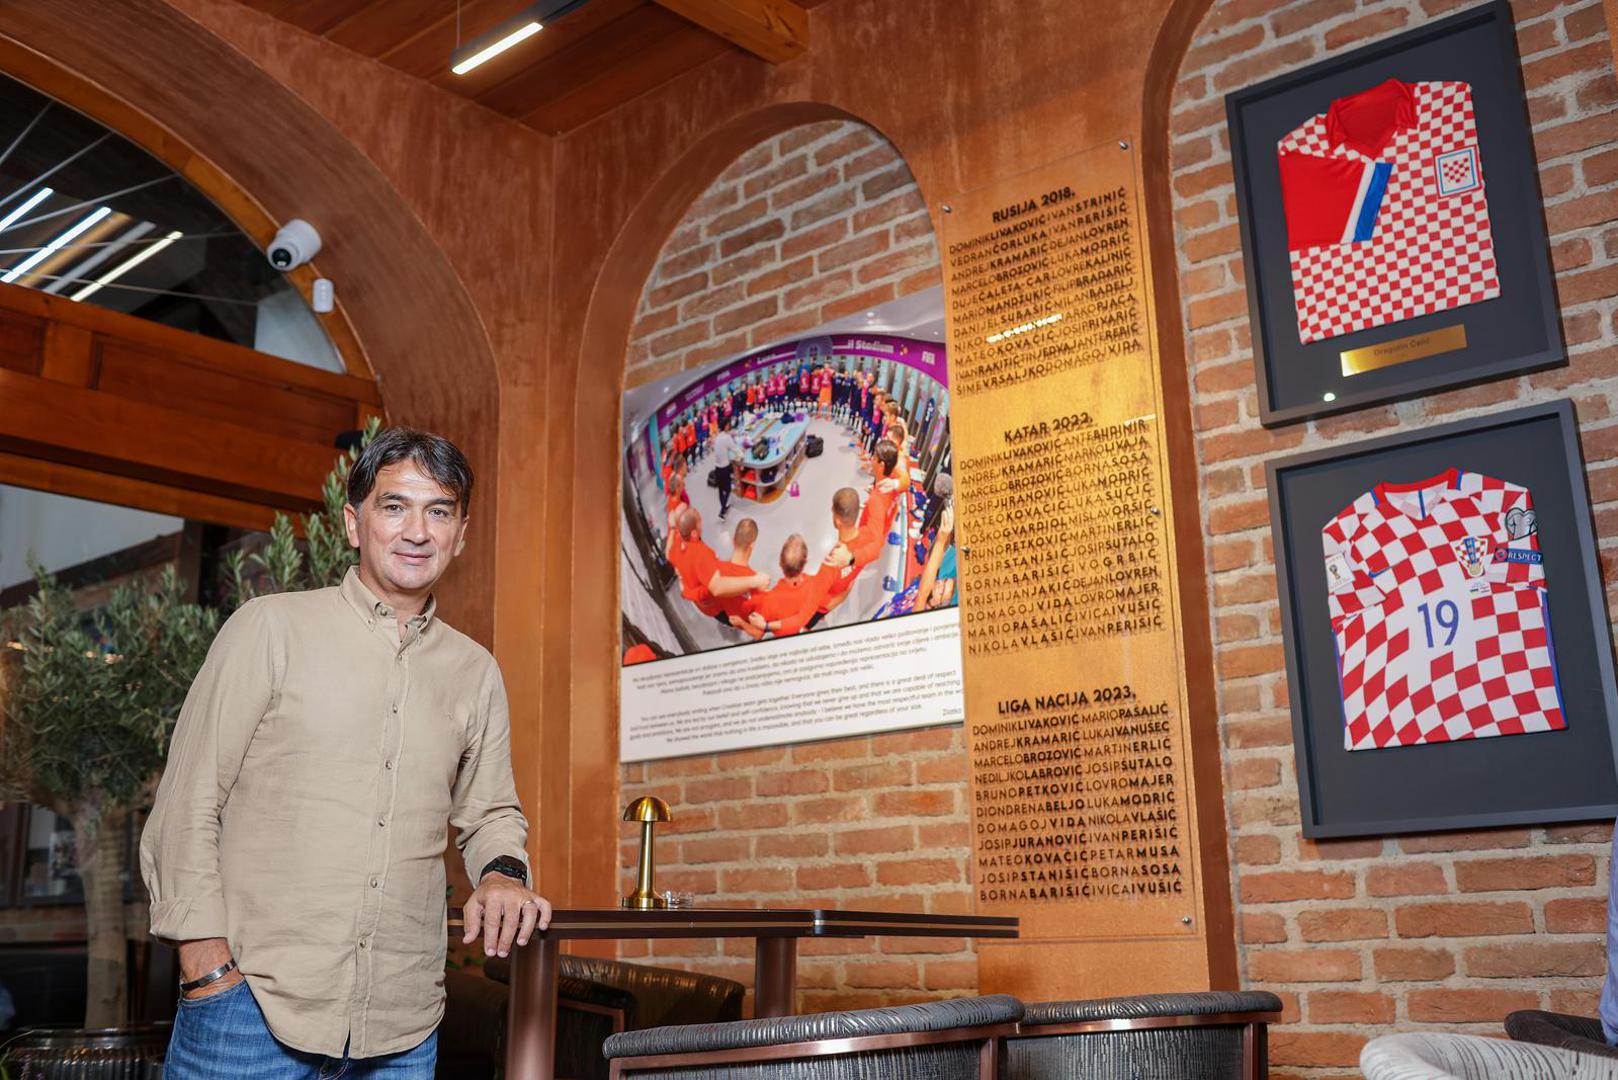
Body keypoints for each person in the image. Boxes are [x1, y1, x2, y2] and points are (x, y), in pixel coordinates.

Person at [142, 428, 550, 1079]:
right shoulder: (268, 629)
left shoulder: (474, 671)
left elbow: (491, 811)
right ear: (354, 524)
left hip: (403, 1027)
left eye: (439, 511)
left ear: (461, 535)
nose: (417, 531)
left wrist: (503, 873)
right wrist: (207, 966)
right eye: (394, 506)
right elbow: (187, 803)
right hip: (250, 1009)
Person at [748, 535, 839, 637]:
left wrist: (740, 622)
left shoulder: (769, 599)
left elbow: (757, 634)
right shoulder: (815, 585)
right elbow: (827, 605)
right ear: (805, 562)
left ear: (780, 563)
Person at [710, 418, 740, 521]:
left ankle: (723, 508)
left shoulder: (718, 437)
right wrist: (741, 454)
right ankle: (722, 511)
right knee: (728, 489)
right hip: (724, 468)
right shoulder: (727, 438)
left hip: (717, 468)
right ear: (726, 426)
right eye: (728, 424)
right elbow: (735, 449)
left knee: (721, 489)